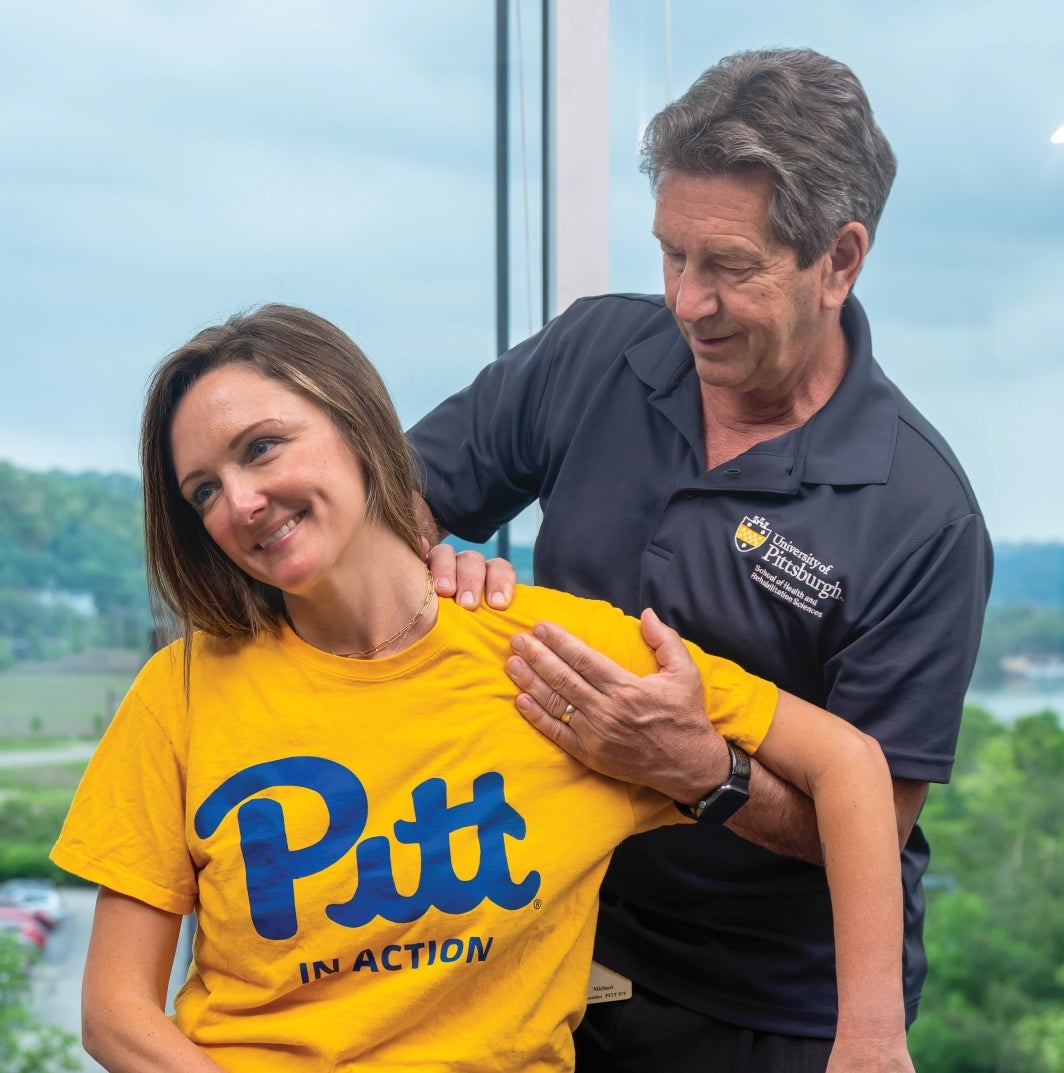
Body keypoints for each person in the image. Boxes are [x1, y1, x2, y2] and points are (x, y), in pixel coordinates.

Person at [51, 303, 913, 1073]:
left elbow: (851, 764)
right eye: (204, 490)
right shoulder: (186, 689)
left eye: (261, 447)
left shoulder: (557, 654)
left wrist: (871, 1041)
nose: (238, 500)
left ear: (357, 426)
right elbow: (115, 1011)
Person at [408, 46, 993, 1071]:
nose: (686, 302)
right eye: (671, 254)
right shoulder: (594, 352)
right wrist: (436, 562)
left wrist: (702, 772)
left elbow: (870, 822)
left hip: (772, 1004)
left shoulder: (920, 511)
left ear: (840, 259)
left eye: (729, 266)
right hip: (553, 932)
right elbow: (395, 496)